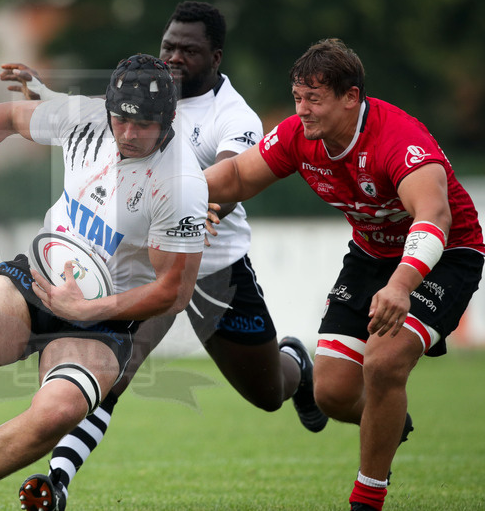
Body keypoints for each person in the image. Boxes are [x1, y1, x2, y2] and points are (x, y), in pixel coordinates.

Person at [0, 1, 326, 509]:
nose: (173, 57)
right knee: (114, 370)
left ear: (215, 56)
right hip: (143, 265)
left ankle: (296, 365)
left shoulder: (232, 115)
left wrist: (207, 202)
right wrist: (46, 95)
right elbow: (94, 114)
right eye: (168, 46)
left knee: (266, 394)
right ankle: (57, 479)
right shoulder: (147, 93)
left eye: (188, 50)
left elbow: (234, 172)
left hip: (216, 273)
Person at [0, 54, 208, 511]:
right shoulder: (88, 120)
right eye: (121, 119)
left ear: (169, 118)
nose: (129, 133)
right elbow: (8, 117)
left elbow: (175, 290)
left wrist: (88, 310)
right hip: (33, 278)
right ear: (107, 107)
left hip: (103, 319)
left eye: (145, 124)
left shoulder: (181, 184)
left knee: (57, 413)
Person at [203, 38, 484, 511]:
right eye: (297, 98)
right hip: (371, 254)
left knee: (383, 362)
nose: (302, 110)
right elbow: (235, 178)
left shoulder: (399, 139)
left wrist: (400, 285)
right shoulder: (298, 135)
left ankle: (366, 499)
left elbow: (434, 217)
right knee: (331, 394)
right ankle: (391, 420)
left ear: (350, 97)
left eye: (314, 99)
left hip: (446, 253)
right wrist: (170, 195)